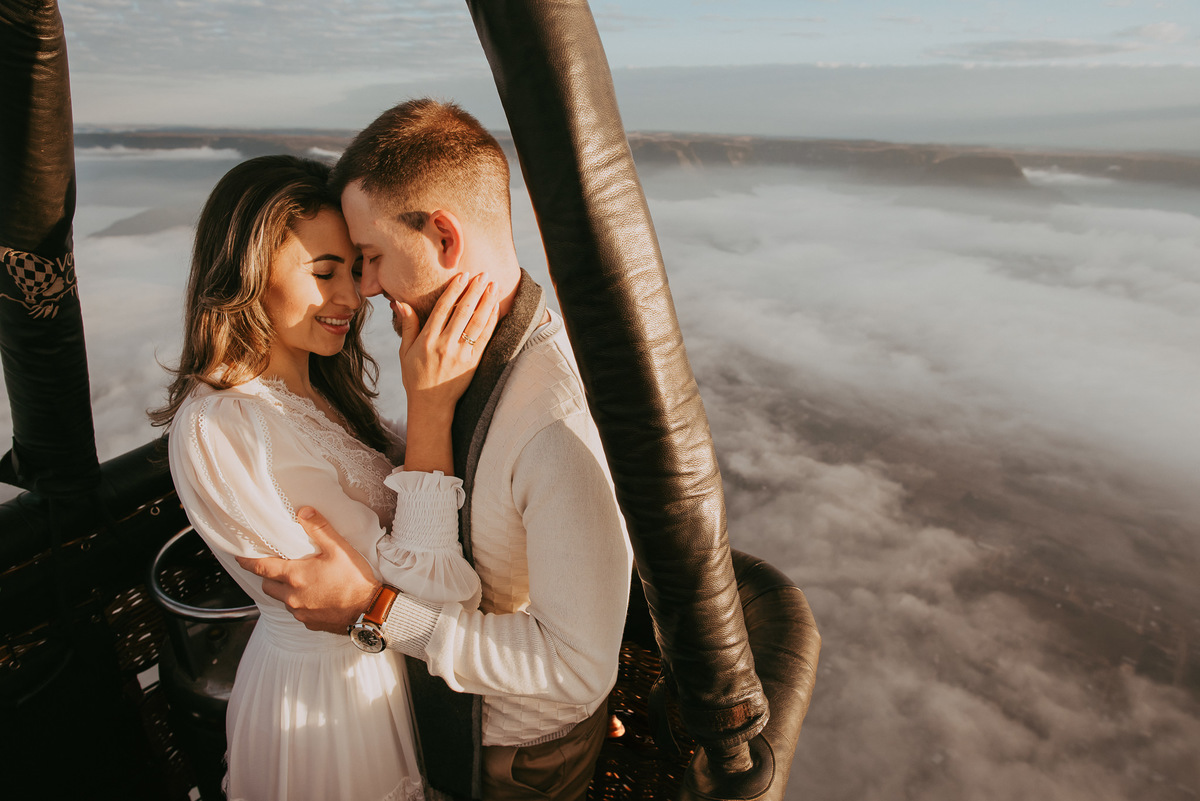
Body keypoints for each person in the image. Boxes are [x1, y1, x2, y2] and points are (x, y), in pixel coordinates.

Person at [238, 100, 635, 801]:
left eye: (369, 259)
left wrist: (377, 608)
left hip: (514, 761)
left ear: (444, 237)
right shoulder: (461, 365)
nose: (363, 289)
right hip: (452, 731)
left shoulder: (553, 424)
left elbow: (577, 669)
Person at [151, 154, 498, 801]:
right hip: (325, 710)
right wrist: (431, 402)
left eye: (357, 269)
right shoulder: (225, 425)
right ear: (250, 273)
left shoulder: (319, 391)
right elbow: (415, 584)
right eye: (324, 272)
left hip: (388, 678)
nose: (352, 295)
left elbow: (388, 591)